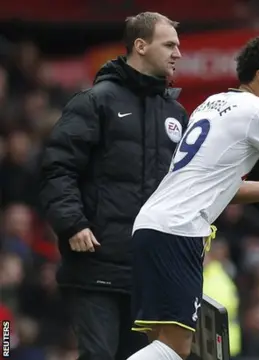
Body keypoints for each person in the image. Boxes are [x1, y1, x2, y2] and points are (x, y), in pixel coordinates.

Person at [126, 36, 259, 360]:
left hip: (151, 225)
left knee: (161, 342)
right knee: (175, 347)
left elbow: (227, 190)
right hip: (179, 230)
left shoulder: (211, 104)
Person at [39, 12, 187, 359]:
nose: (178, 53)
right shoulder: (95, 102)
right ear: (140, 46)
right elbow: (57, 168)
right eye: (169, 45)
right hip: (96, 266)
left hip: (148, 272)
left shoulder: (177, 114)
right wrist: (73, 223)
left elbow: (183, 187)